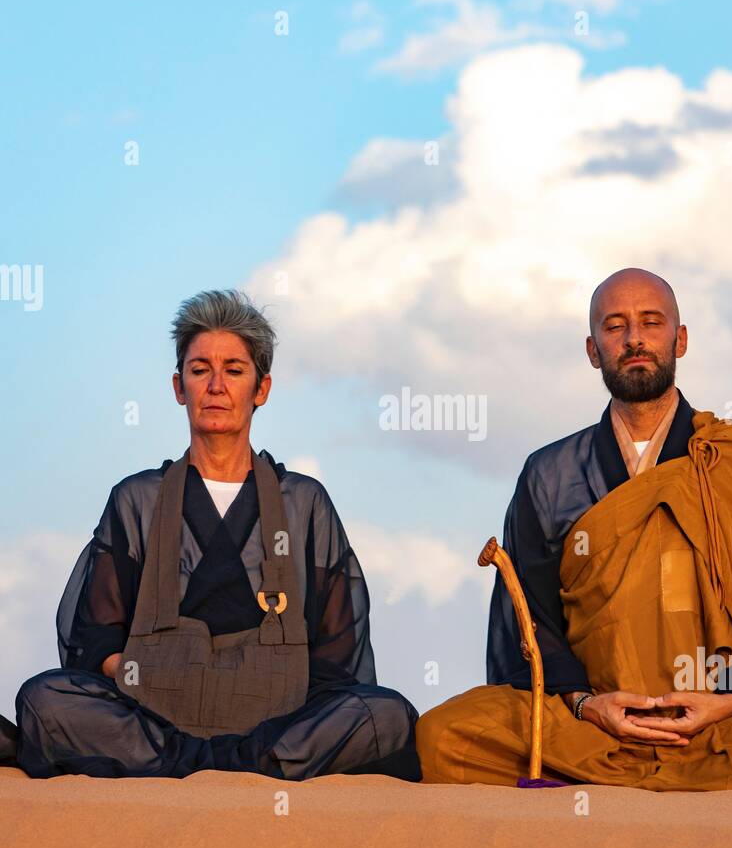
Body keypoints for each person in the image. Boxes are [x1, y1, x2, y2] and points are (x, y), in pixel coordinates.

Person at [416, 267, 732, 789]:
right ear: (592, 350)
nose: (634, 339)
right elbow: (531, 621)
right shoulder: (550, 473)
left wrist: (727, 699)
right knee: (443, 734)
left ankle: (615, 780)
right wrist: (588, 703)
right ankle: (659, 775)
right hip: (600, 725)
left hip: (725, 719)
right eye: (615, 326)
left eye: (651, 323)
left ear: (680, 339)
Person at [3, 288, 421, 781]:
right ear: (179, 387)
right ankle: (235, 765)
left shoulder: (303, 503)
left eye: (234, 371)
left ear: (261, 389)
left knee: (385, 714)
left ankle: (199, 765)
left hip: (277, 721)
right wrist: (155, 677)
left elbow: (336, 654)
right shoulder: (138, 499)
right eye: (201, 370)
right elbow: (96, 641)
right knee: (45, 698)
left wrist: (273, 694)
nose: (217, 386)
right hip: (158, 717)